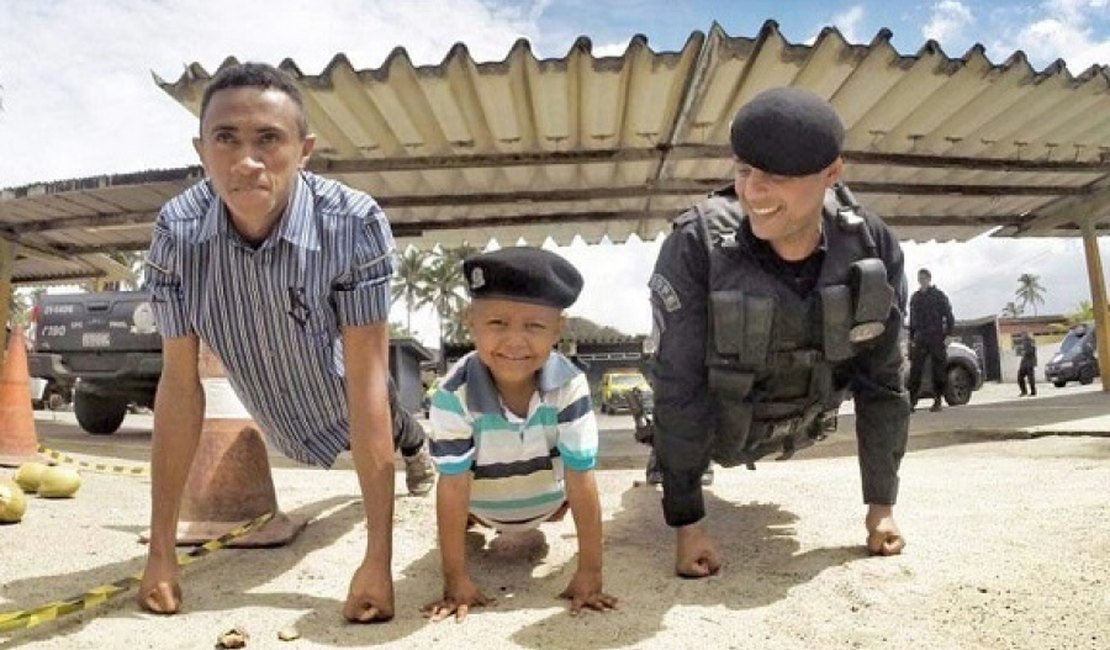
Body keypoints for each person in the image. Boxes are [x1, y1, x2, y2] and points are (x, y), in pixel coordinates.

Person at [138, 62, 435, 622]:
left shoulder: (353, 224)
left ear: (305, 150)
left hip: (343, 383)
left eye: (268, 139)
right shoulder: (175, 234)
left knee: (388, 415)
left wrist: (378, 560)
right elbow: (179, 385)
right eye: (226, 139)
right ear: (202, 149)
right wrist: (160, 555)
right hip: (270, 396)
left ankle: (416, 449)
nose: (246, 162)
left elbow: (368, 382)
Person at [647, 86, 909, 578]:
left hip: (806, 418)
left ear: (832, 174)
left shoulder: (871, 244)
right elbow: (677, 388)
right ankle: (669, 472)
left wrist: (881, 508)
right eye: (744, 171)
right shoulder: (695, 244)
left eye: (778, 178)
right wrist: (690, 525)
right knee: (671, 397)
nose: (752, 192)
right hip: (721, 427)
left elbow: (884, 384)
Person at [423, 247, 617, 621]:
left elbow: (581, 476)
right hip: (480, 511)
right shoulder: (451, 394)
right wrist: (456, 579)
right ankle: (474, 522)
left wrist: (590, 574)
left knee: (573, 482)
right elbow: (452, 485)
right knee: (455, 488)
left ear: (559, 329)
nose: (515, 341)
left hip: (550, 507)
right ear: (471, 321)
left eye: (534, 326)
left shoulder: (570, 386)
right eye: (497, 323)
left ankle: (538, 510)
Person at [908, 268, 956, 412]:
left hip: (936, 336)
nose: (922, 281)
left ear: (929, 279)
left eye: (924, 278)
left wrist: (949, 334)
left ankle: (938, 400)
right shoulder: (915, 298)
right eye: (919, 278)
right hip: (921, 337)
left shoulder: (938, 296)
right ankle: (911, 401)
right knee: (916, 369)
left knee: (938, 369)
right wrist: (911, 337)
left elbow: (949, 316)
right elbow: (912, 319)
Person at [1017, 331, 1038, 396]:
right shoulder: (1027, 342)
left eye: (1022, 336)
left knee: (1029, 378)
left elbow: (1029, 352)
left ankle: (1031, 392)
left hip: (1028, 363)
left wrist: (1023, 352)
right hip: (1025, 363)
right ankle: (1026, 391)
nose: (1022, 338)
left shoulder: (1029, 342)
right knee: (1022, 377)